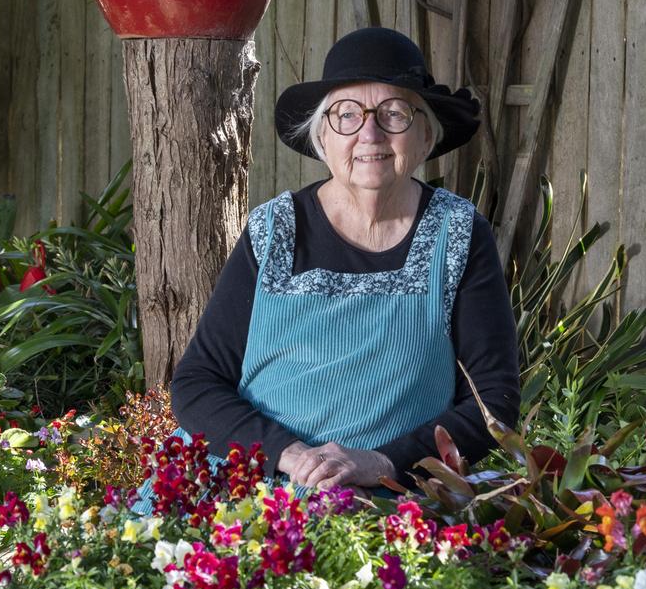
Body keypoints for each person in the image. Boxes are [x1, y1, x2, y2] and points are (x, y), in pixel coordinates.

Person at [157, 27, 520, 501]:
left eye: (394, 112)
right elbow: (197, 382)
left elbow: (493, 401)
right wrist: (289, 455)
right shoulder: (273, 228)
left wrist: (384, 462)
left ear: (425, 133)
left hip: (392, 488)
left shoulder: (459, 232)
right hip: (253, 479)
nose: (369, 133)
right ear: (323, 135)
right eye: (346, 114)